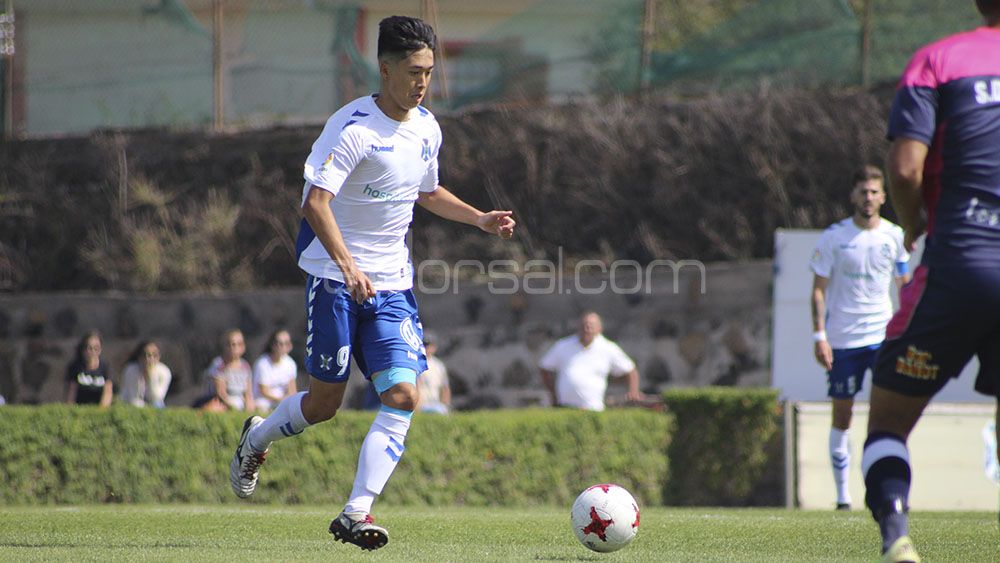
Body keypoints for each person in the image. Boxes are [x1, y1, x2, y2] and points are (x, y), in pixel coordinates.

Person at [229, 15, 515, 552]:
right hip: (334, 280)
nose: (423, 83)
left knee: (404, 394)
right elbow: (316, 203)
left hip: (391, 287)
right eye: (412, 72)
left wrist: (478, 218)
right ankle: (257, 437)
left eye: (429, 71)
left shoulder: (428, 127)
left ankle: (356, 512)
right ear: (384, 68)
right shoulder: (352, 127)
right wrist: (348, 266)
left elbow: (426, 193)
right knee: (324, 404)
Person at [862, 3, 1000, 561]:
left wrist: (915, 222)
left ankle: (897, 538)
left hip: (960, 265)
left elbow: (903, 168)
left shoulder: (939, 60)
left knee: (888, 425)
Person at [809, 165, 910, 511]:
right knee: (843, 414)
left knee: (890, 415)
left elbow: (904, 285)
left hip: (883, 338)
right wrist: (820, 336)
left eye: (873, 192)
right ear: (853, 196)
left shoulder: (894, 236)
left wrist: (906, 330)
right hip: (843, 341)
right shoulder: (834, 238)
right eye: (862, 192)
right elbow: (818, 291)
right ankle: (842, 497)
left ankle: (890, 492)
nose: (868, 198)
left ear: (883, 196)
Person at [538, 312, 644, 411]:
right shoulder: (563, 345)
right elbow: (544, 367)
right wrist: (552, 392)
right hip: (565, 407)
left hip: (593, 408)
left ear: (599, 329)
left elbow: (630, 370)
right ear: (578, 327)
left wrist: (633, 392)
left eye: (591, 326)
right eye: (584, 325)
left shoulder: (608, 348)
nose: (587, 329)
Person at [199, 329, 253, 412]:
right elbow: (221, 393)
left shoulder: (245, 366)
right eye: (231, 344)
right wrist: (234, 408)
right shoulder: (218, 364)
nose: (234, 348)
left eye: (239, 344)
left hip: (239, 400)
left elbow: (248, 393)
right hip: (220, 400)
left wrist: (249, 406)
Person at [252, 329, 298, 412]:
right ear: (272, 345)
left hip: (282, 402)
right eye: (280, 343)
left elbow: (292, 390)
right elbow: (263, 391)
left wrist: (288, 400)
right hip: (264, 401)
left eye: (286, 344)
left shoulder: (291, 363)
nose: (283, 347)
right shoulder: (262, 363)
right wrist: (281, 400)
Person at [65, 330, 113, 408]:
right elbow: (71, 394)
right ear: (83, 349)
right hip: (80, 410)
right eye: (89, 348)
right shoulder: (75, 367)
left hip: (99, 410)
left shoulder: (105, 367)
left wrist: (101, 412)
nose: (92, 352)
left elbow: (107, 392)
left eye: (96, 348)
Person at [119, 340, 172, 408]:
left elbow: (157, 397)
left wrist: (151, 376)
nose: (150, 359)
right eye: (146, 355)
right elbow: (133, 398)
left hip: (154, 405)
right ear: (139, 357)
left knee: (158, 405)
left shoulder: (164, 372)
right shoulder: (131, 370)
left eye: (155, 355)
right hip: (129, 403)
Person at [415, 331, 450, 414]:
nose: (426, 348)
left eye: (429, 345)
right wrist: (417, 408)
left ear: (434, 347)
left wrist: (445, 405)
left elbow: (445, 387)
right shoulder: (416, 363)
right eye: (424, 345)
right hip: (422, 406)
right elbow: (416, 386)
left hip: (437, 405)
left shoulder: (439, 365)